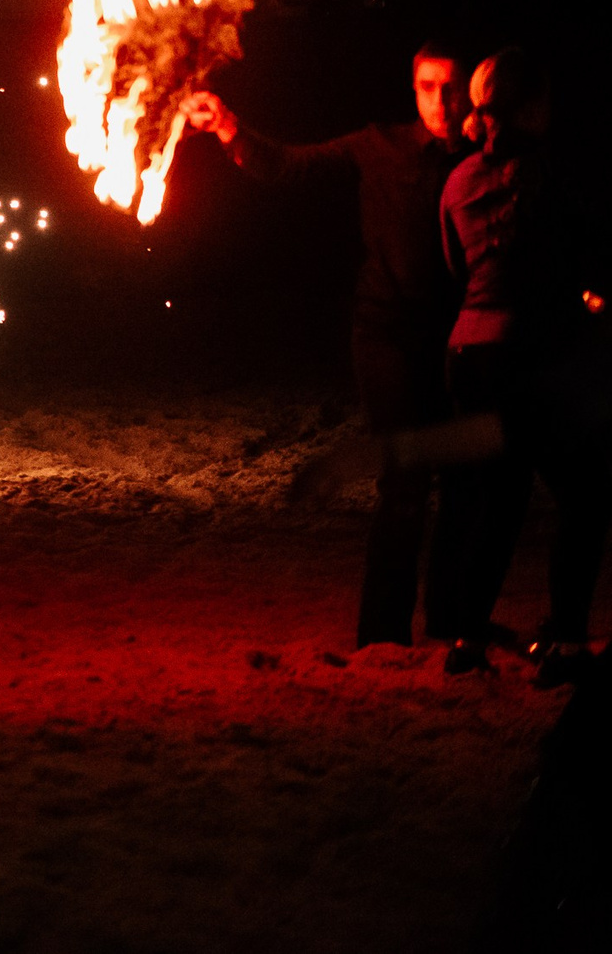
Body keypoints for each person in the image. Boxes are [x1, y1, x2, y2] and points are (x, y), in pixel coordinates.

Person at [180, 42, 469, 648]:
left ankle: (451, 628)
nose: (439, 100)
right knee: (405, 480)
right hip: (386, 333)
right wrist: (230, 127)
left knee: (464, 486)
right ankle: (383, 637)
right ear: (412, 89)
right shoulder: (378, 146)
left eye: (450, 86)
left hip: (458, 339)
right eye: (426, 86)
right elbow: (290, 166)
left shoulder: (485, 157)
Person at [430, 49, 609, 683]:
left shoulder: (457, 181)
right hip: (531, 355)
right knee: (587, 497)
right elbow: (582, 268)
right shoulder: (551, 177)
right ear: (533, 106)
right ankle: (563, 644)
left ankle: (466, 639)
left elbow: (458, 268)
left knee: (498, 502)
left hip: (469, 354)